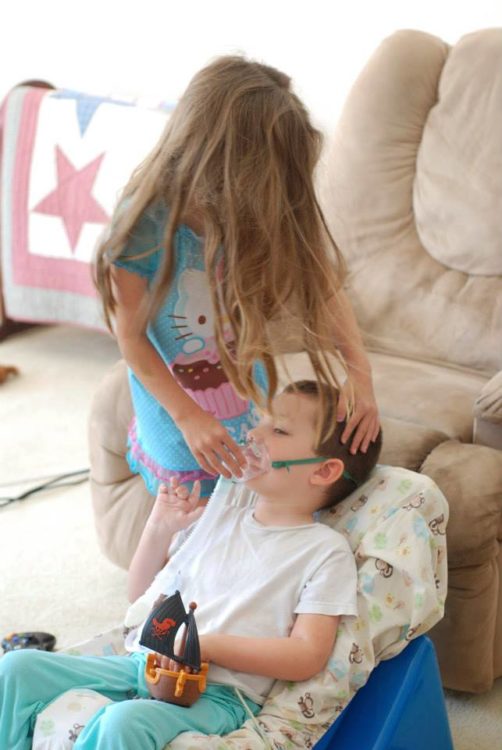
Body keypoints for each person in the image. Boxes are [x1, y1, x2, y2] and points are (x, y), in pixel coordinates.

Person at [0, 381, 382, 750]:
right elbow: (141, 597)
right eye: (261, 422)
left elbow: (306, 655)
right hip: (143, 665)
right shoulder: (217, 520)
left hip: (219, 696)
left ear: (323, 471)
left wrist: (207, 647)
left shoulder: (324, 551)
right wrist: (158, 529)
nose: (254, 434)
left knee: (123, 723)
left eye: (278, 429)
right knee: (17, 668)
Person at [94, 54, 380, 501]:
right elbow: (130, 338)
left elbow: (323, 284)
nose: (274, 195)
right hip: (175, 412)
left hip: (246, 396)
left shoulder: (251, 208)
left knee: (252, 506)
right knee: (193, 530)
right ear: (225, 161)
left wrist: (359, 374)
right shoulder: (141, 227)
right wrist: (188, 417)